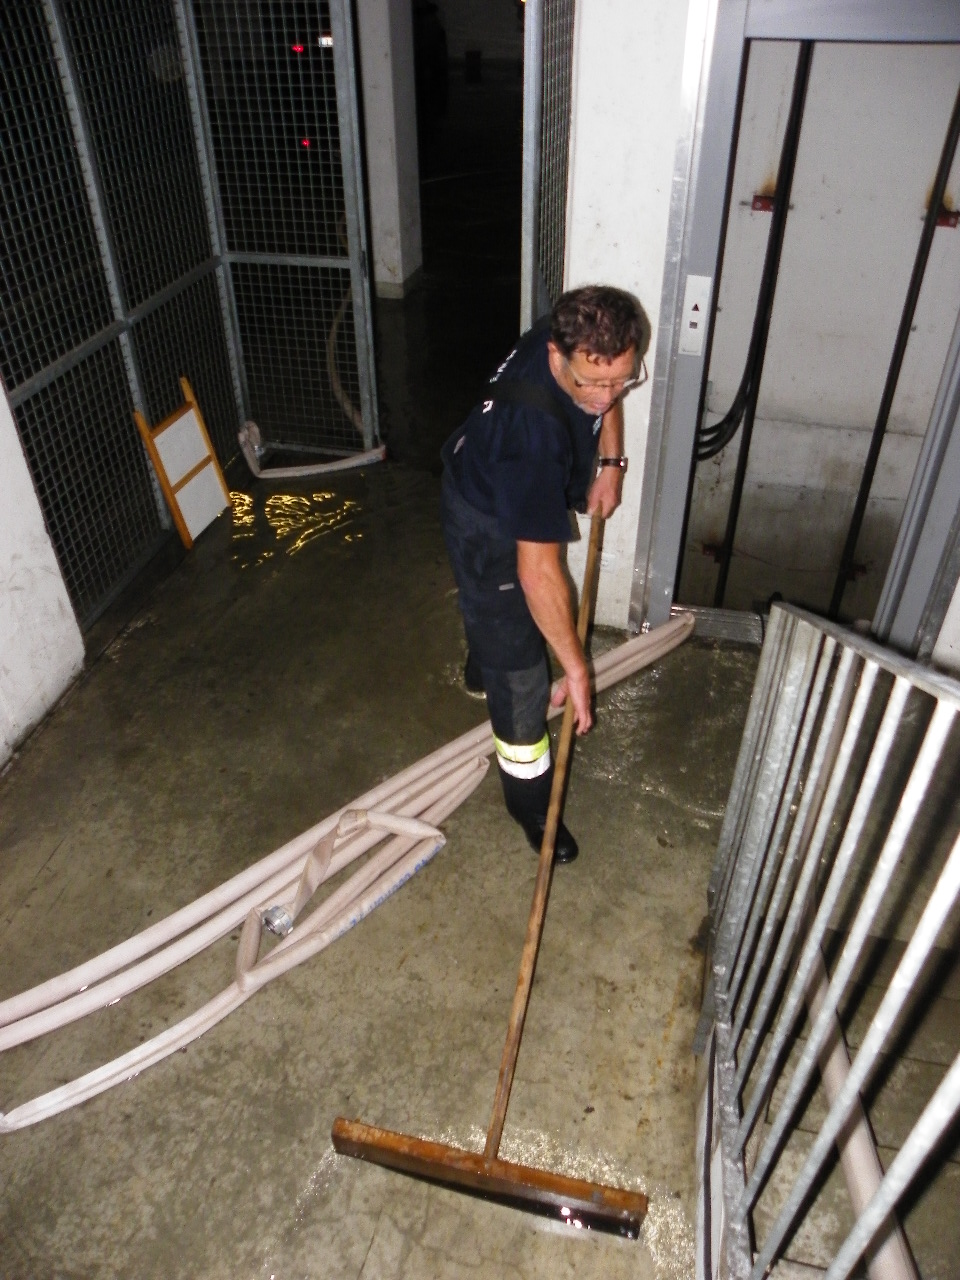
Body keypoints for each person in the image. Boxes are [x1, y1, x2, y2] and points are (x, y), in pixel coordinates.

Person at [440, 284, 651, 864]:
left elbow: (604, 391)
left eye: (621, 381)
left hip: (494, 470)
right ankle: (532, 805)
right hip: (483, 520)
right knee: (522, 678)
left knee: (503, 623)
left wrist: (611, 463)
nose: (606, 397)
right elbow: (538, 573)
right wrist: (577, 668)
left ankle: (484, 649)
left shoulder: (577, 332)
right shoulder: (530, 438)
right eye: (592, 384)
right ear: (557, 357)